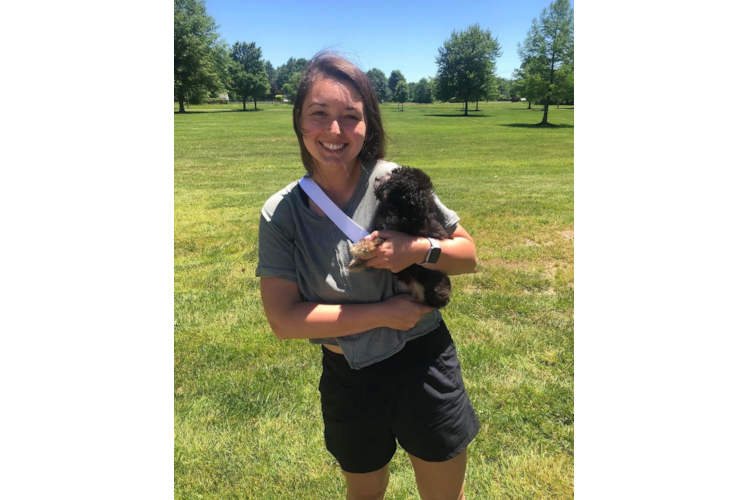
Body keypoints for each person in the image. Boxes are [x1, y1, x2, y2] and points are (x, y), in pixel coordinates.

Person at [256, 52, 480, 500]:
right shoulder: (281, 212)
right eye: (319, 114)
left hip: (423, 364)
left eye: (350, 117)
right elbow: (284, 321)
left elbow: (467, 256)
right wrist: (385, 313)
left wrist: (418, 248)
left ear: (367, 124)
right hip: (347, 377)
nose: (334, 131)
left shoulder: (397, 180)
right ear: (299, 119)